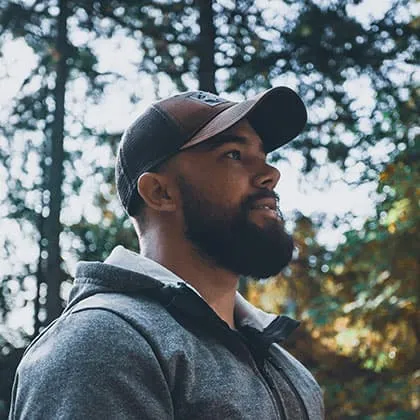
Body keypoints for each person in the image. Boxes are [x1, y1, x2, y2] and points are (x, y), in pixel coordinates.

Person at [9, 87, 324, 419]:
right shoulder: (102, 343)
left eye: (263, 156)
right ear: (160, 192)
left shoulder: (290, 371)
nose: (271, 174)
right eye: (233, 154)